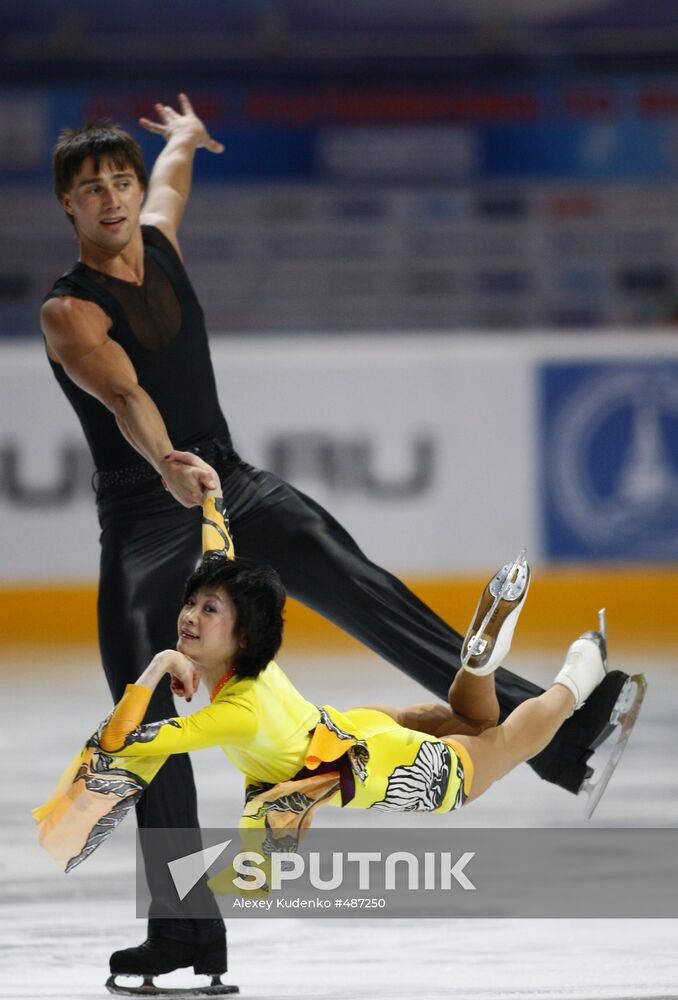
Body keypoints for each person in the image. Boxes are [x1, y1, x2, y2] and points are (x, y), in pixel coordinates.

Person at [40, 94, 631, 983]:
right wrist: (167, 461)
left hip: (234, 483)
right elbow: (125, 395)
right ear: (70, 207)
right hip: (145, 514)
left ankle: (568, 730)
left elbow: (171, 184)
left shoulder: (158, 235)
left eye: (121, 180)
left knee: (365, 588)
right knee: (149, 717)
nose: (115, 198)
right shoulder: (67, 310)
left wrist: (187, 142)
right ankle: (186, 934)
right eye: (94, 189)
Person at [34, 482, 612, 996]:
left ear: (240, 629)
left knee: (509, 742)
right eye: (190, 603)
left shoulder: (233, 713)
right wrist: (212, 499)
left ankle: (577, 675)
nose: (189, 614)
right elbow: (221, 558)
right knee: (476, 728)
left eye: (208, 608)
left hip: (385, 767)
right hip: (357, 730)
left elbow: (126, 742)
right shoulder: (254, 661)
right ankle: (478, 662)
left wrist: (160, 667)